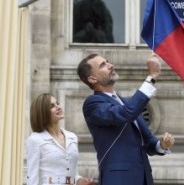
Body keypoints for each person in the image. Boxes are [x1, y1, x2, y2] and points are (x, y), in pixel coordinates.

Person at [77, 53, 175, 185]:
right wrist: (151, 77)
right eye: (103, 65)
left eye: (107, 62)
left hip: (144, 179)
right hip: (118, 180)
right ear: (93, 79)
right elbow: (127, 113)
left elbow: (149, 142)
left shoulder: (125, 102)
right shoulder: (93, 104)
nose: (111, 65)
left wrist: (162, 145)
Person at [26, 93, 94, 185]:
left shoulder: (72, 137)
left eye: (57, 103)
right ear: (42, 112)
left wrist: (80, 180)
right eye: (52, 106)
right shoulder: (35, 140)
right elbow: (32, 178)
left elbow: (73, 174)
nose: (58, 107)